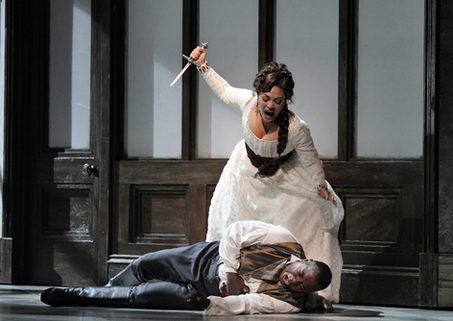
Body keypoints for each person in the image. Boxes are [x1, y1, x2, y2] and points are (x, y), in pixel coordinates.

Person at [190, 46, 345, 305]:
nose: (270, 106)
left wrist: (320, 186)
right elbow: (225, 90)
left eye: (277, 101)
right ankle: (228, 280)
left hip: (284, 178)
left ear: (286, 102)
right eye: (266, 98)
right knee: (233, 223)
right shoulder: (248, 102)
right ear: (258, 94)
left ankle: (307, 290)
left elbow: (312, 160)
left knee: (308, 218)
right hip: (245, 174)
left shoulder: (297, 128)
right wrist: (203, 66)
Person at [40, 221, 332, 315]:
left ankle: (77, 294)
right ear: (304, 260)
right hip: (206, 258)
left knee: (143, 295)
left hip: (202, 293)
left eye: (301, 285)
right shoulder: (284, 239)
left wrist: (209, 302)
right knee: (144, 265)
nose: (293, 281)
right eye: (300, 274)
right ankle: (102, 293)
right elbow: (235, 232)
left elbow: (246, 304)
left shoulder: (288, 303)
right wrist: (230, 273)